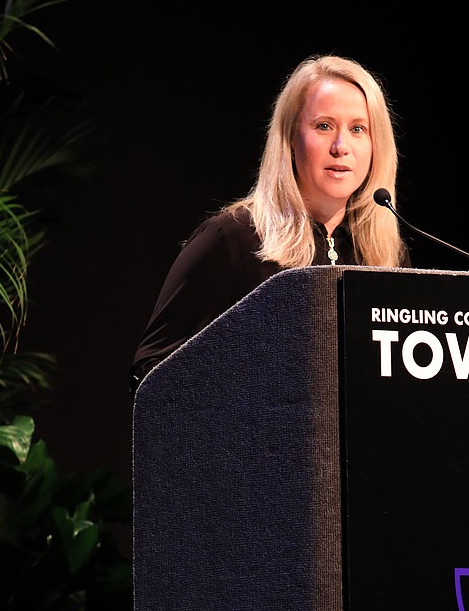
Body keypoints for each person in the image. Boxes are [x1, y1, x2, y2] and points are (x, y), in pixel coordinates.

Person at [129, 53, 410, 393]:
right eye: (324, 126)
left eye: (357, 129)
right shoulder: (234, 239)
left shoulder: (384, 257)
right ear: (291, 139)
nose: (341, 146)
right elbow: (152, 370)